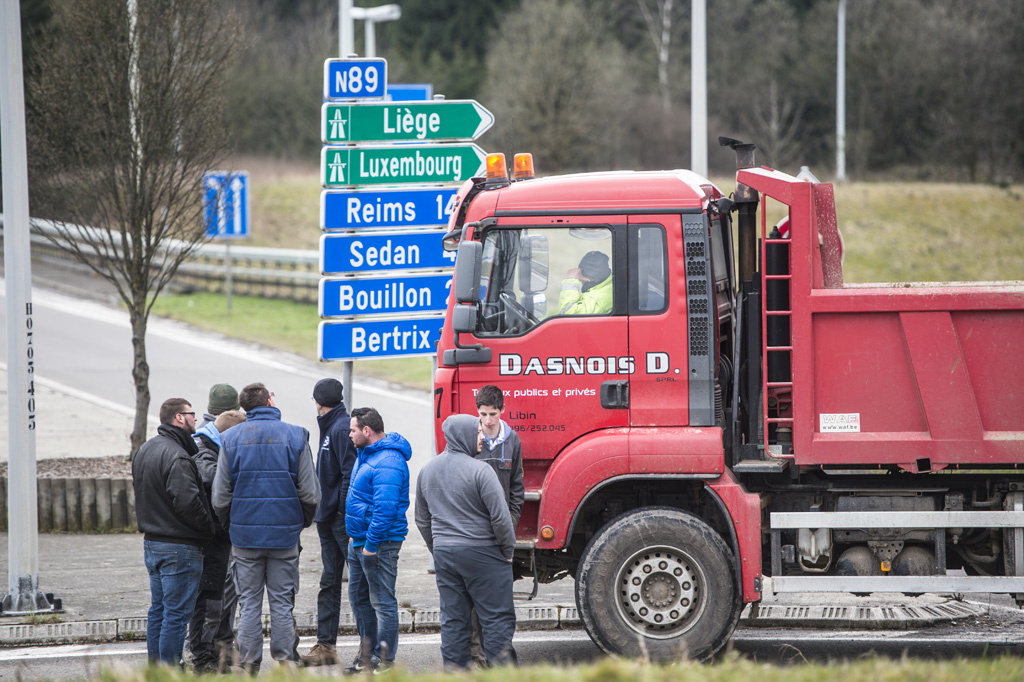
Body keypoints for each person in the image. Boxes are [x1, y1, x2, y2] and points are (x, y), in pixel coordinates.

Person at [212, 383, 320, 672]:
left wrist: (231, 524)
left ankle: (249, 665)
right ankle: (285, 662)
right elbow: (310, 493)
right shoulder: (296, 435)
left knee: (248, 603)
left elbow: (220, 496)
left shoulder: (230, 438)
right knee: (282, 603)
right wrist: (300, 522)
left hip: (244, 536)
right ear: (269, 401)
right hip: (284, 535)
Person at [415, 414, 517, 672]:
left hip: (445, 555)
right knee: (496, 620)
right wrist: (507, 551)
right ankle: (504, 676)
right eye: (478, 432)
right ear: (464, 436)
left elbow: (421, 519)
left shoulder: (427, 470)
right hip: (483, 554)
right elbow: (501, 517)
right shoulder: (481, 470)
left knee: (454, 620)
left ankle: (455, 674)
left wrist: (436, 546)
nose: (482, 436)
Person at [132, 398, 216, 667]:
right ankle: (169, 670)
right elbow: (188, 502)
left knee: (159, 610)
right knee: (177, 614)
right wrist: (208, 529)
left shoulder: (146, 449)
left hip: (153, 543)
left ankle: (157, 669)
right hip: (180, 547)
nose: (195, 419)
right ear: (180, 418)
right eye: (192, 414)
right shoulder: (177, 455)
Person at [344, 407, 412, 675]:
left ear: (367, 431)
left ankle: (385, 662)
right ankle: (367, 657)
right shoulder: (366, 453)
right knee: (359, 600)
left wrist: (370, 545)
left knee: (382, 602)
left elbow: (385, 511)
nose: (350, 434)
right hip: (359, 541)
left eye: (353, 430)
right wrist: (355, 538)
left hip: (379, 545)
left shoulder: (389, 461)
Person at [301, 378, 358, 667]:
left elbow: (349, 473)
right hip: (327, 518)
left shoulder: (339, 428)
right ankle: (326, 647)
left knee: (361, 584)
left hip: (338, 519)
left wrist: (340, 511)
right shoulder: (331, 426)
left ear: (319, 402)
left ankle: (371, 647)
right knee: (329, 582)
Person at [187, 408, 246, 673]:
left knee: (220, 598)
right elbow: (210, 476)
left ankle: (217, 649)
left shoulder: (215, 446)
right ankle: (201, 656)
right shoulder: (204, 448)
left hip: (220, 538)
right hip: (211, 539)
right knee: (208, 601)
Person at [470, 384, 525, 667]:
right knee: (472, 604)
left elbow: (517, 488)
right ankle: (477, 660)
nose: (488, 420)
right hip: (473, 534)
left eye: (493, 413)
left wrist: (510, 524)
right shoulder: (470, 438)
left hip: (501, 535)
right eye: (483, 414)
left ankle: (500, 661)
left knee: (499, 604)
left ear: (502, 411)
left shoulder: (512, 440)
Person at [558, 250, 613, 315]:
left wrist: (571, 280)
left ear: (591, 278)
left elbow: (567, 314)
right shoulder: (610, 285)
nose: (581, 280)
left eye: (582, 275)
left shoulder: (596, 299)